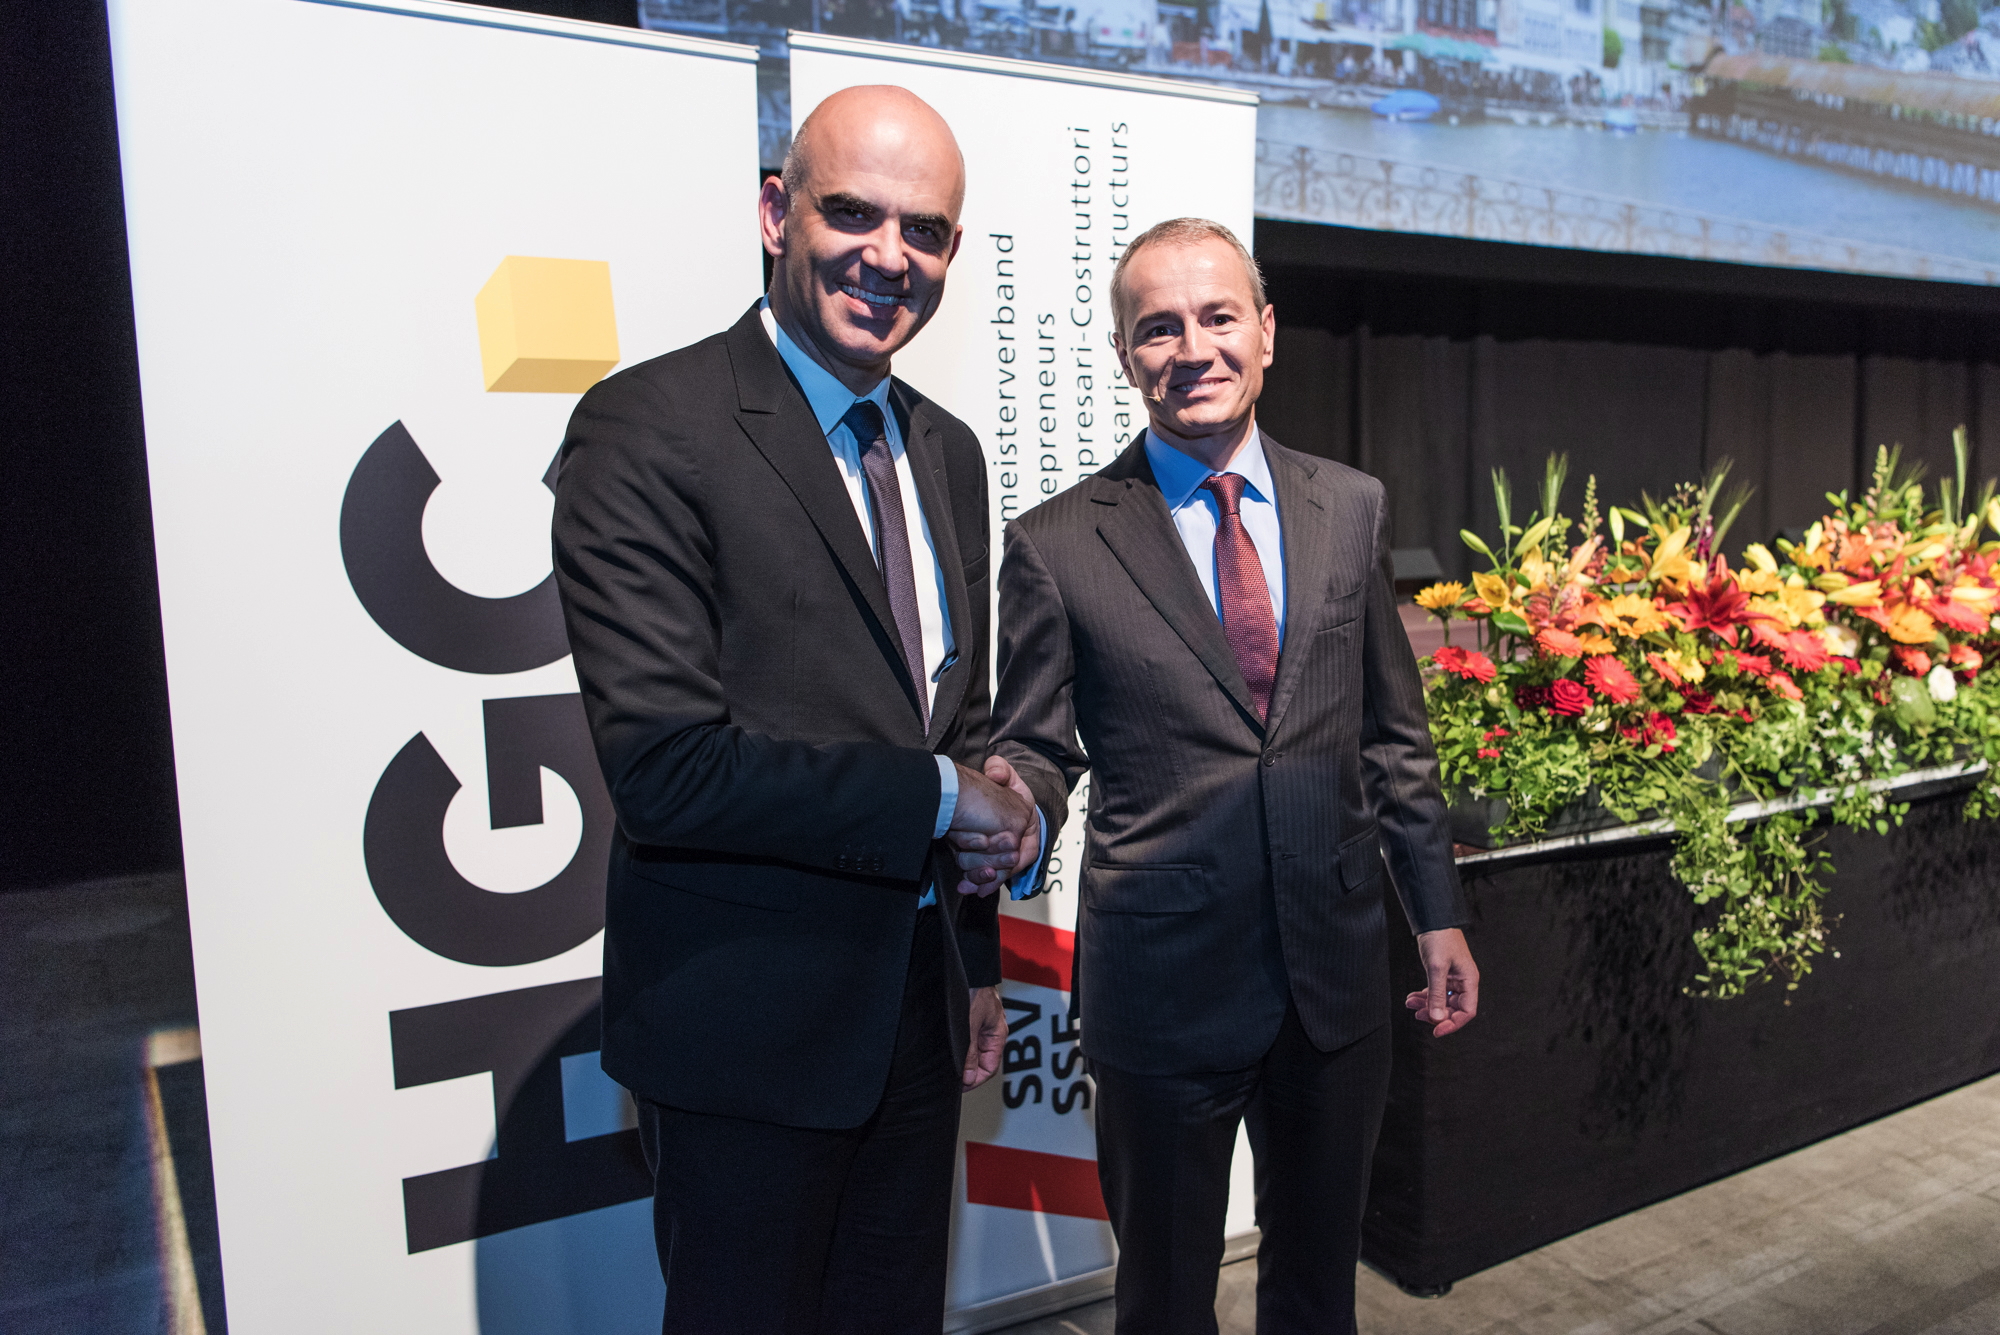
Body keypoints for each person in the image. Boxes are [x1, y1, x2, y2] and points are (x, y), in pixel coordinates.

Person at [551, 85, 1040, 1334]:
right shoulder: (646, 428)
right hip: (742, 1035)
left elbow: (956, 724)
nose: (888, 256)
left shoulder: (946, 451)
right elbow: (667, 770)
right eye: (851, 213)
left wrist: (976, 964)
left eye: (923, 230)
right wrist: (943, 797)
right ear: (776, 213)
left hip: (916, 1021)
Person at [966, 218, 1480, 1334]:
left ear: (1267, 332)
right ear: (1123, 353)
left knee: (1316, 1297)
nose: (1191, 349)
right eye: (1158, 327)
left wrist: (1434, 914)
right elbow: (1037, 746)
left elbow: (1392, 735)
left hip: (1334, 981)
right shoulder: (1057, 543)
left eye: (1217, 317)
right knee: (1161, 1304)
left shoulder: (1350, 506)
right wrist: (1017, 809)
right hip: (1161, 993)